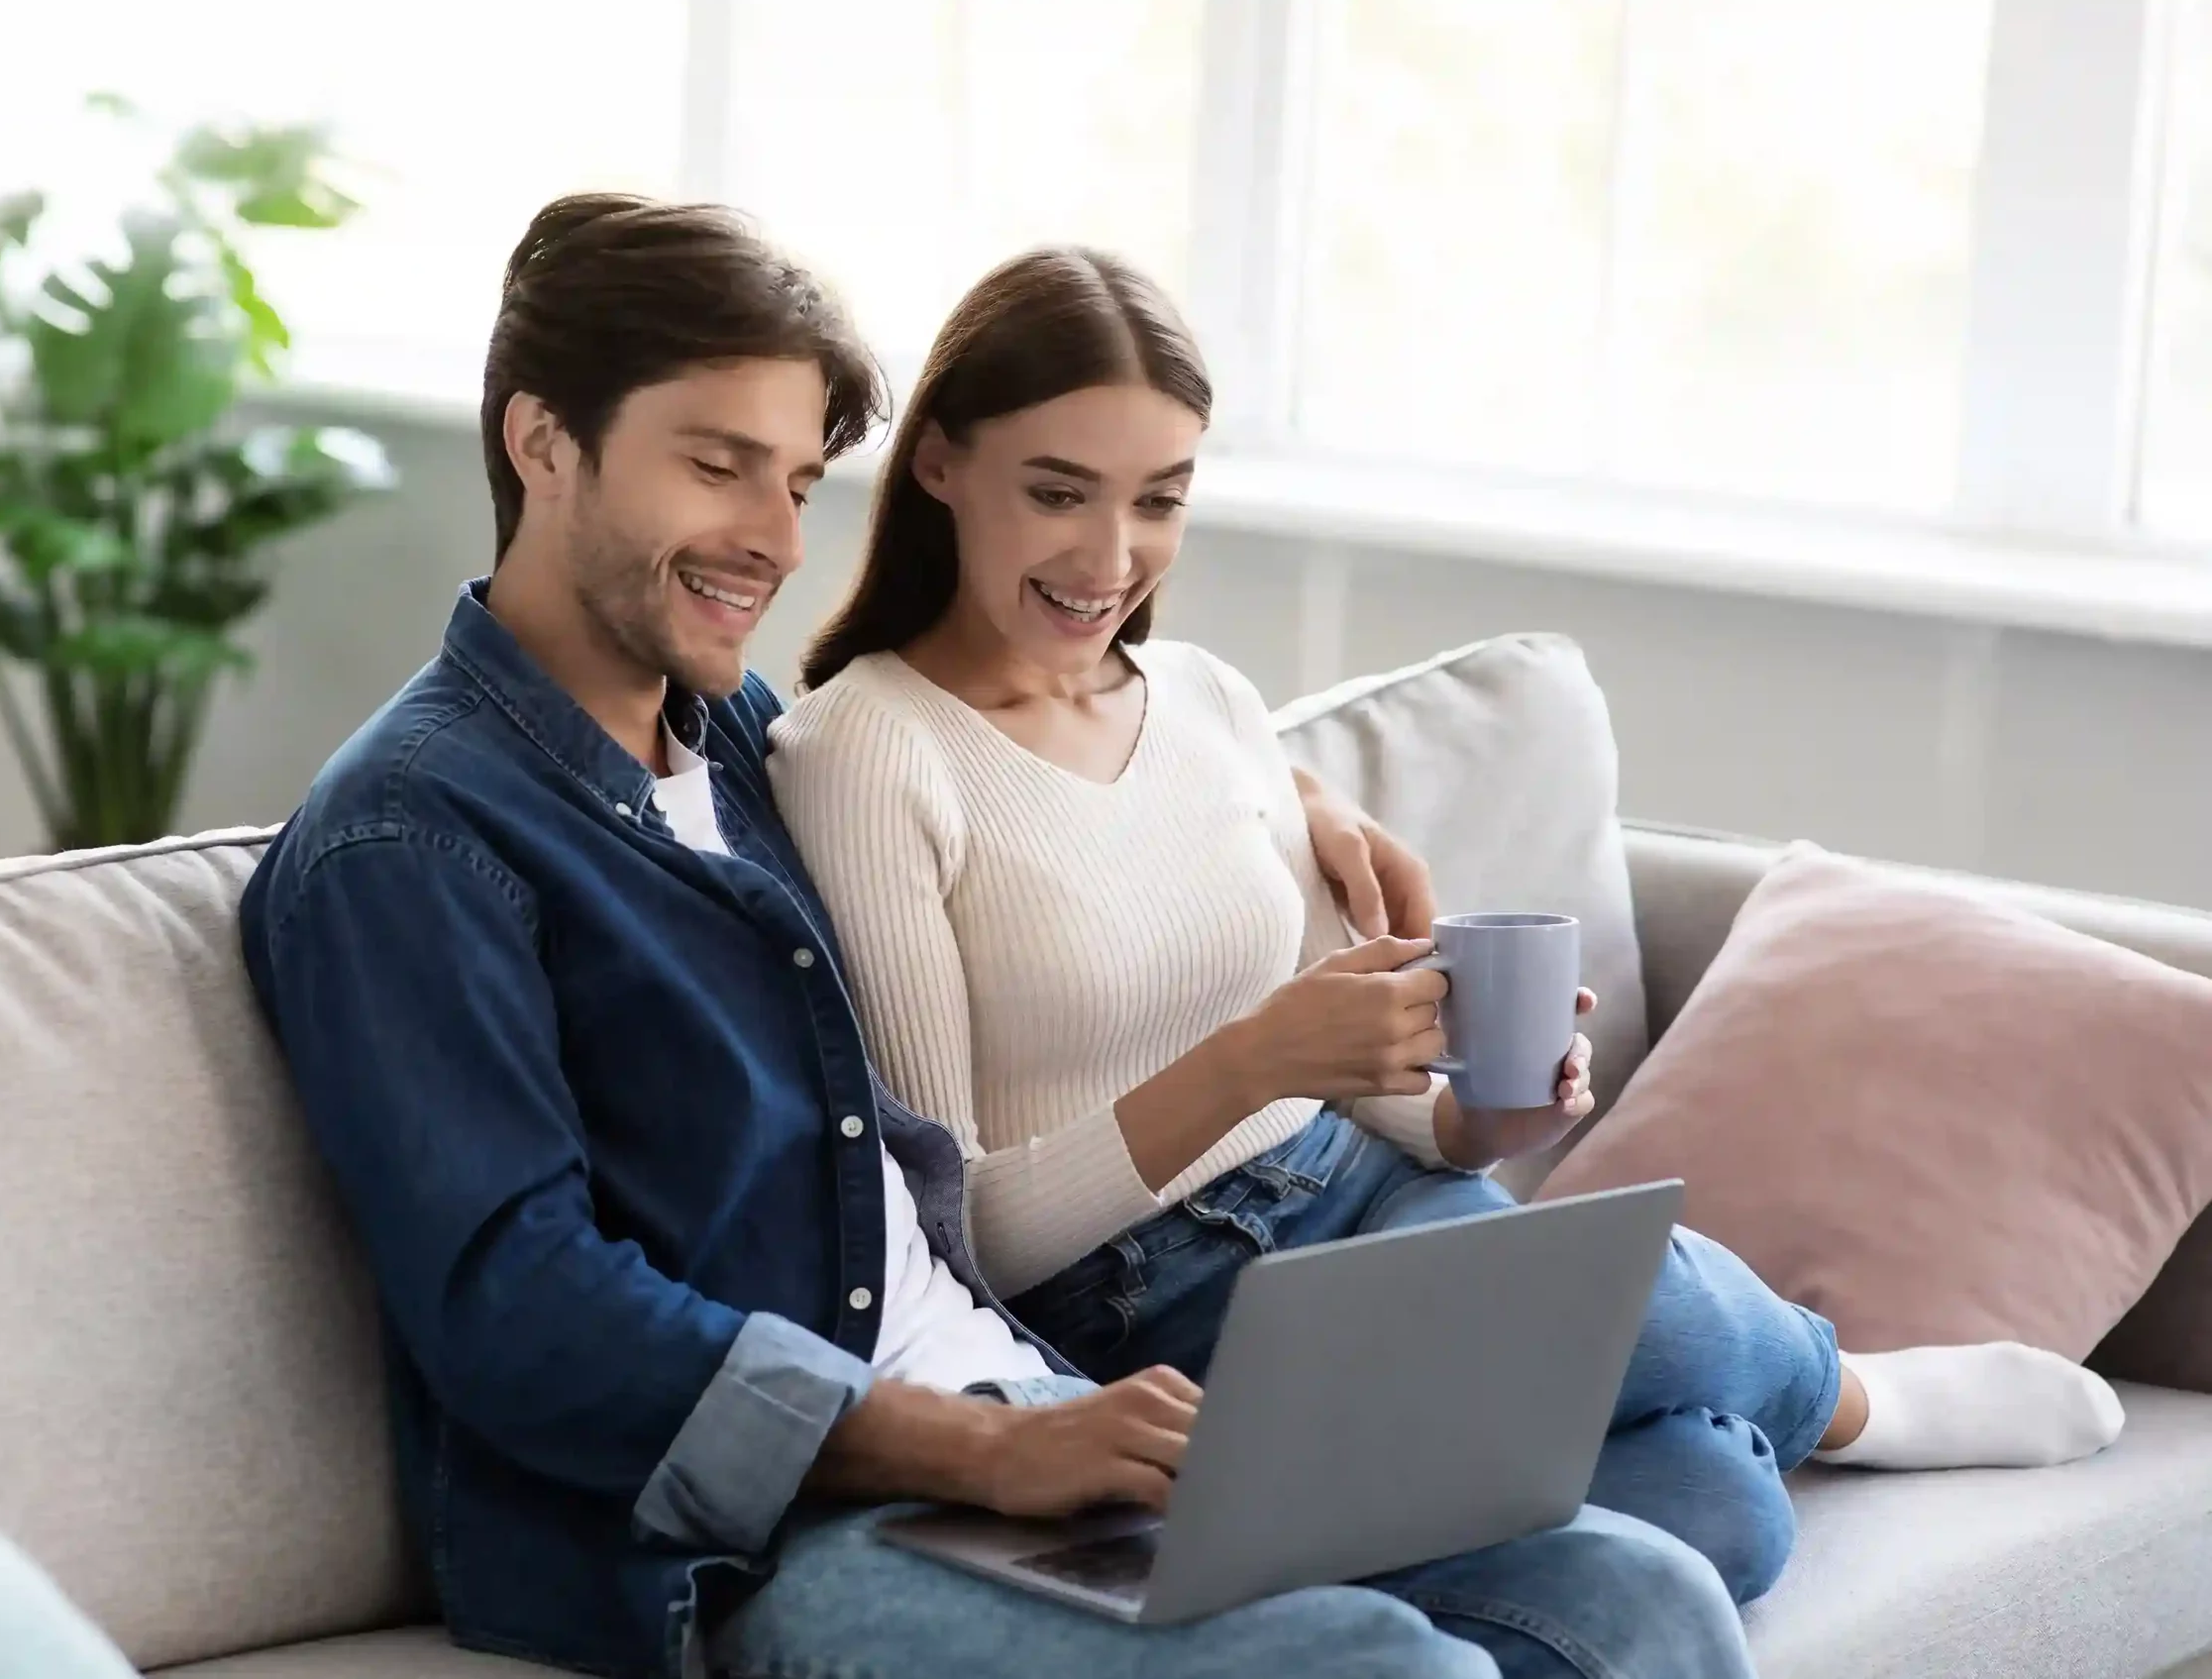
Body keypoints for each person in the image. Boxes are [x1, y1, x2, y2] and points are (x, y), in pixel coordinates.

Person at [238, 192, 1762, 1679]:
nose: (774, 539)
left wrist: (1279, 796)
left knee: (1646, 1593)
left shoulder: (736, 735)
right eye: (717, 465)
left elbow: (987, 779)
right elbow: (523, 1312)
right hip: (781, 1533)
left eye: (799, 481)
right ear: (542, 443)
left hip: (1031, 1403)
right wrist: (976, 1447)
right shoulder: (409, 842)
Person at [765, 245, 2131, 1612]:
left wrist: (1477, 1115)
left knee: (1711, 1484)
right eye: (1058, 492)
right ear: (939, 463)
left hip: (1368, 1188)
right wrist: (1255, 1063)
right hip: (1147, 1305)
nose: (1111, 558)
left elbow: (1354, 1064)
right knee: (1681, 1400)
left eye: (1160, 500)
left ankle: (1435, 1480)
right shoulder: (869, 751)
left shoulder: (1206, 698)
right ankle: (1853, 1400)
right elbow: (964, 1234)